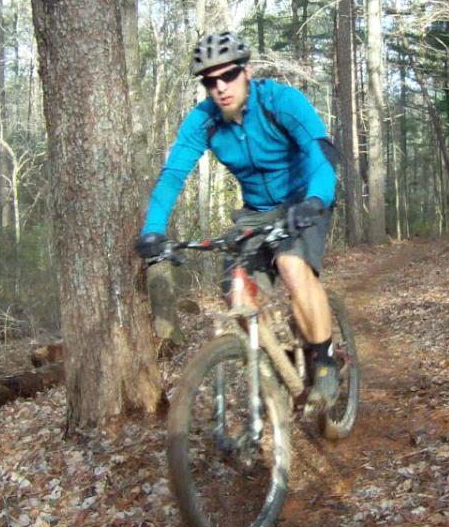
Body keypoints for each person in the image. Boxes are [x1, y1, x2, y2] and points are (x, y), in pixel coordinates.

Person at [135, 31, 341, 407]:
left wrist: (314, 201)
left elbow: (321, 156)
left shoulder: (282, 102)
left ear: (246, 72)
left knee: (293, 267)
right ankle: (274, 366)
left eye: (228, 75)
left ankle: (325, 361)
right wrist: (153, 231)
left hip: (302, 201)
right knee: (236, 292)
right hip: (255, 212)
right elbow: (172, 176)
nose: (220, 87)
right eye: (210, 82)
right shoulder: (204, 121)